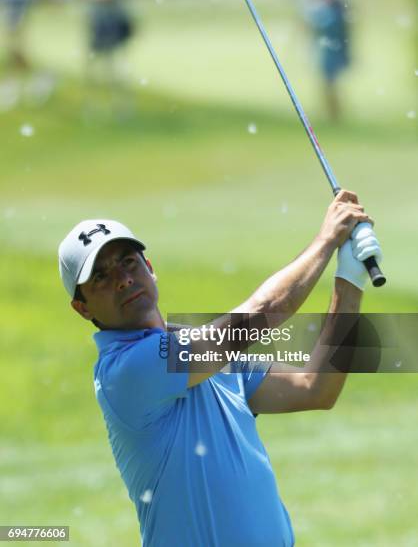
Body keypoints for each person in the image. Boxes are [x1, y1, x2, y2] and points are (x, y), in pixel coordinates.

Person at [58, 190, 382, 546]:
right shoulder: (126, 371)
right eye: (101, 277)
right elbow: (265, 311)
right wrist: (326, 239)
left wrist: (349, 279)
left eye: (128, 262)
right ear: (82, 308)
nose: (122, 278)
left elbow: (315, 388)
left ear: (150, 268)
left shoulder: (208, 359)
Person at [299, 0, 350, 121]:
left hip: (333, 44)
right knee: (326, 81)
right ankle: (331, 112)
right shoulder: (312, 0)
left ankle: (334, 113)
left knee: (330, 81)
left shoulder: (336, 1)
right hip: (322, 46)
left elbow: (341, 24)